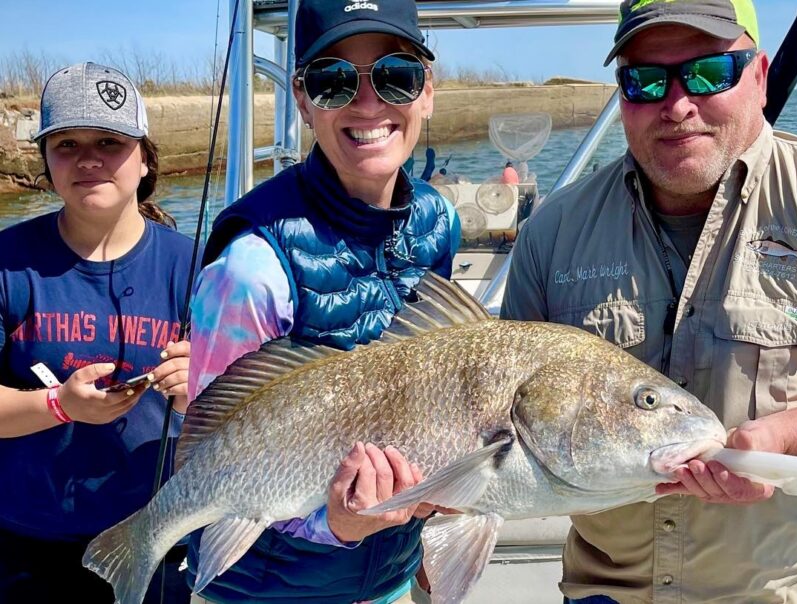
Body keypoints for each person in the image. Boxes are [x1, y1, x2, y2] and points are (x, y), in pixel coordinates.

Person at [501, 1, 797, 602]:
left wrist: (781, 444)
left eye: (712, 72)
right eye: (645, 80)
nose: (678, 104)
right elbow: (500, 418)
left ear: (760, 76)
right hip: (608, 590)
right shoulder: (550, 230)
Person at [184, 0, 459, 602]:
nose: (367, 103)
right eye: (334, 81)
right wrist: (338, 524)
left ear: (427, 91)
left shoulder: (438, 222)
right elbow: (212, 463)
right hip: (270, 589)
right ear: (304, 102)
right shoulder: (249, 271)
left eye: (397, 75)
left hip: (389, 576)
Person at [0, 62, 194, 602]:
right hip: (27, 543)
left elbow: (244, 406)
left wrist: (197, 393)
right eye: (66, 144)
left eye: (109, 141)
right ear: (45, 161)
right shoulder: (7, 264)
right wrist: (59, 406)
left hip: (158, 535)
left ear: (145, 158)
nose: (88, 158)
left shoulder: (199, 266)